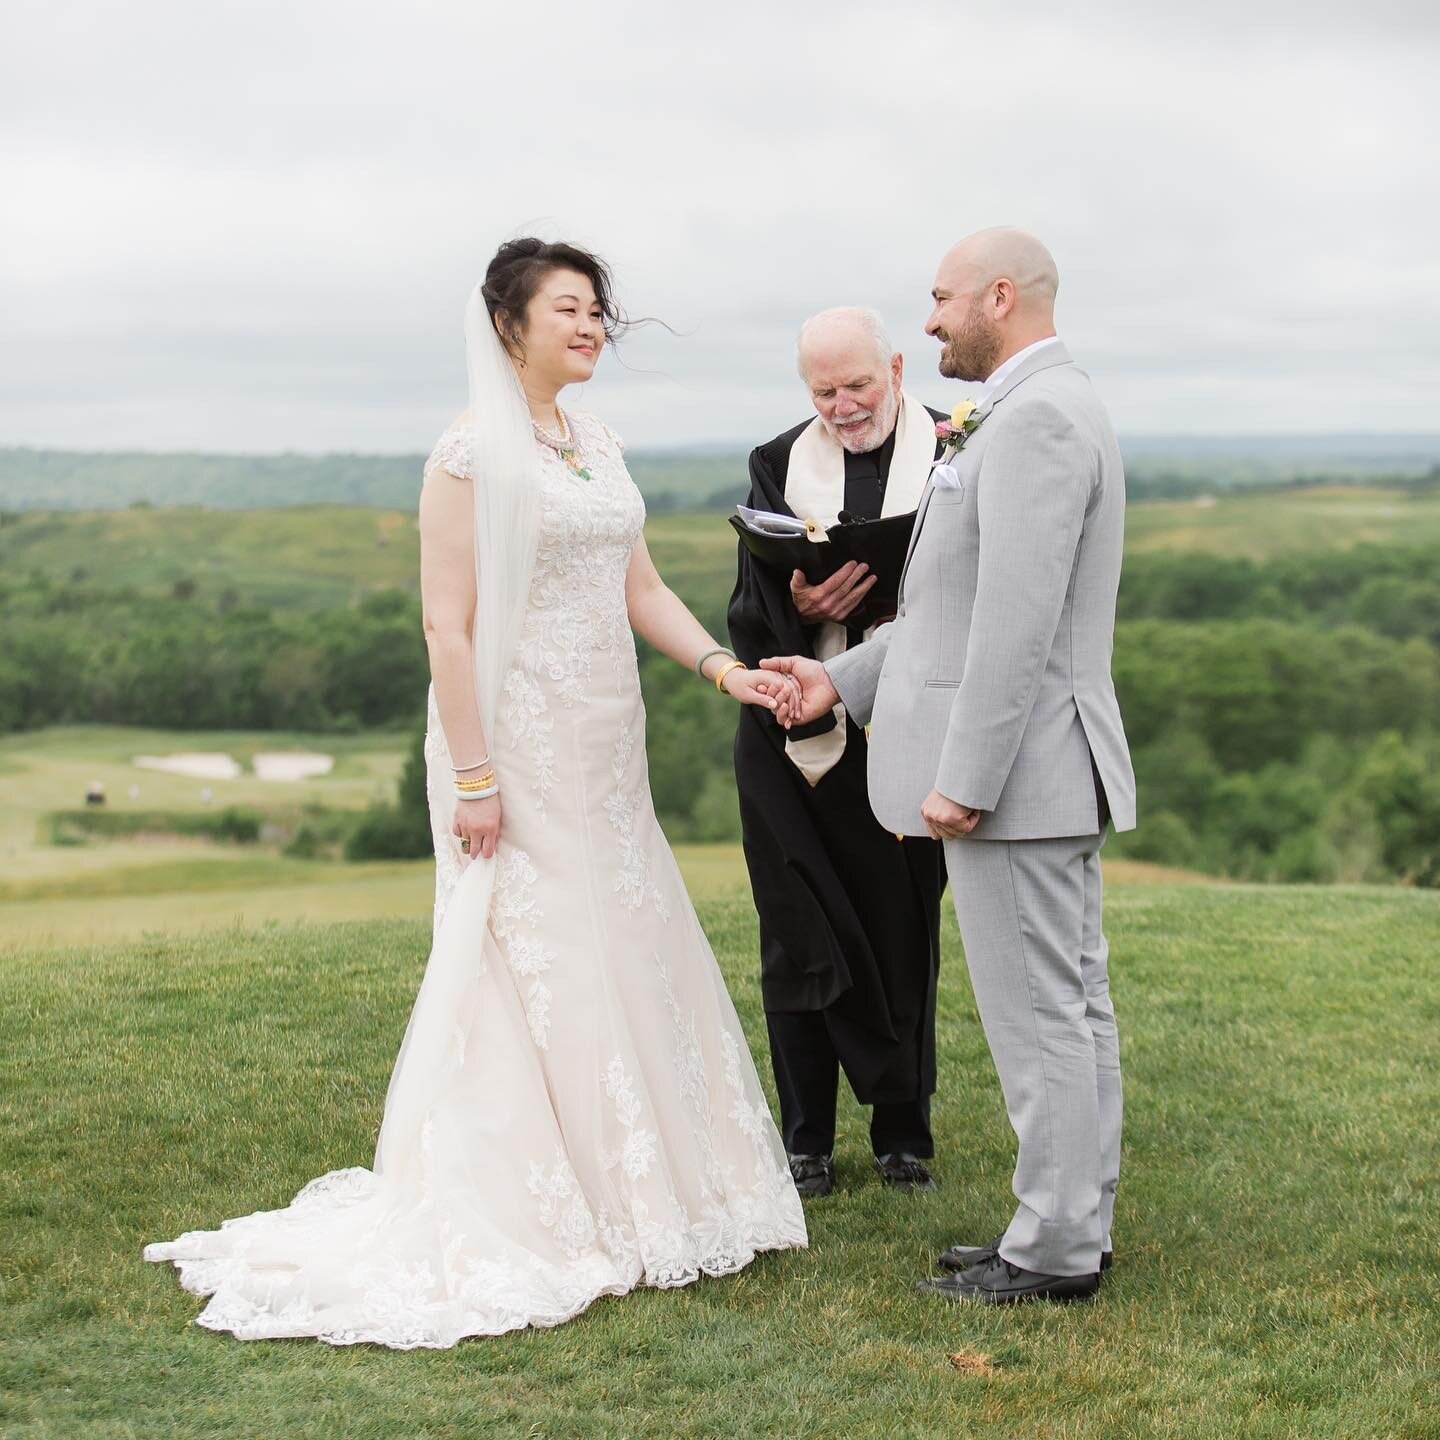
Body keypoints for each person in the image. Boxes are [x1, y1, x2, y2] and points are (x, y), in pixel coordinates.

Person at [144, 238, 807, 1346]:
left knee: (626, 937)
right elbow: (446, 625)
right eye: (568, 309)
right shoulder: (466, 455)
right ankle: (538, 1202)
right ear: (510, 325)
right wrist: (475, 774)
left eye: (598, 309)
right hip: (512, 742)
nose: (593, 326)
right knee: (535, 954)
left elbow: (638, 583)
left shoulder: (596, 439)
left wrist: (727, 671)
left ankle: (651, 1190)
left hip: (606, 740)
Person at [764, 229, 1136, 1305]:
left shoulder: (1039, 421)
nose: (926, 321)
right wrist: (843, 681)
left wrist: (965, 782)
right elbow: (947, 618)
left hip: (1018, 781)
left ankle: (1056, 1248)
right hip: (1037, 771)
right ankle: (1072, 1221)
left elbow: (1017, 630)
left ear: (999, 297)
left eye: (939, 299)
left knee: (1042, 1018)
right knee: (1067, 1009)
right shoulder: (1029, 412)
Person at [727, 308, 946, 1198]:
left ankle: (902, 1136)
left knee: (903, 928)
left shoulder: (953, 450)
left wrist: (896, 622)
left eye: (859, 383)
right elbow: (750, 605)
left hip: (907, 727)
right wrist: (808, 613)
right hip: (792, 730)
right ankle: (806, 1138)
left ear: (894, 366)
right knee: (797, 929)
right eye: (825, 391)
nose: (845, 406)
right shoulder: (779, 462)